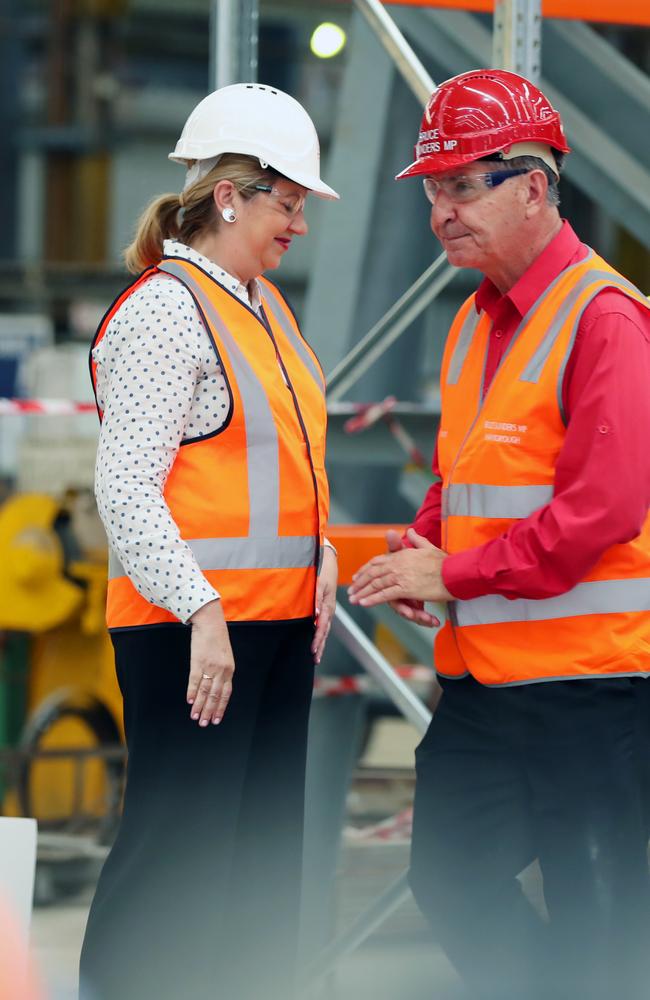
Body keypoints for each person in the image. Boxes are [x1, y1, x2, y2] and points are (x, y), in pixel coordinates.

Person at [349, 69, 650, 1000]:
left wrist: (459, 573)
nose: (442, 211)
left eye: (462, 185)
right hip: (488, 684)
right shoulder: (476, 324)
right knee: (449, 875)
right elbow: (464, 476)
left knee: (604, 919)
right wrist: (417, 548)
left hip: (595, 692)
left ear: (534, 184)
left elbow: (601, 510)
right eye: (433, 190)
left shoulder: (606, 322)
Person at [79, 83, 339, 1000]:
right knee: (179, 869)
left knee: (258, 872)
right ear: (230, 194)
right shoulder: (165, 309)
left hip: (269, 631)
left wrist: (325, 570)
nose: (298, 224)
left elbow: (287, 462)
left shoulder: (265, 311)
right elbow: (124, 487)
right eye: (289, 201)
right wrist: (201, 608)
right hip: (194, 636)